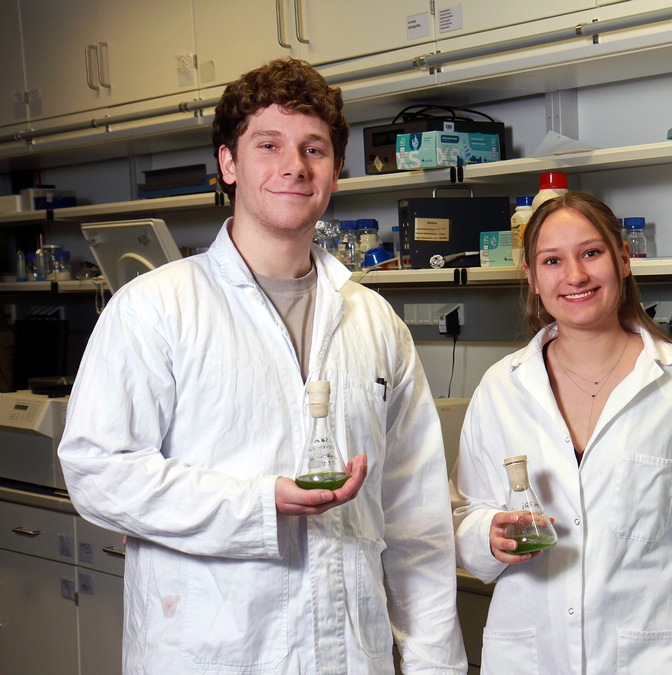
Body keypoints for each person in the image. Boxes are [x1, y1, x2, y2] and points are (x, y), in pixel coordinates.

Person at [58, 58, 466, 674]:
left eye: (314, 149)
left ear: (334, 170)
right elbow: (97, 470)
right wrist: (257, 504)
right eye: (268, 144)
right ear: (229, 164)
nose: (294, 166)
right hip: (213, 654)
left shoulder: (376, 323)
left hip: (352, 656)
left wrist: (436, 664)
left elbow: (418, 522)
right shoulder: (158, 307)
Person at [450, 191, 672, 673]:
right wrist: (488, 536)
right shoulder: (501, 388)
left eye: (591, 253)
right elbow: (464, 512)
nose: (575, 276)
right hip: (532, 655)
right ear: (532, 278)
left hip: (652, 657)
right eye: (552, 260)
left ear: (624, 260)